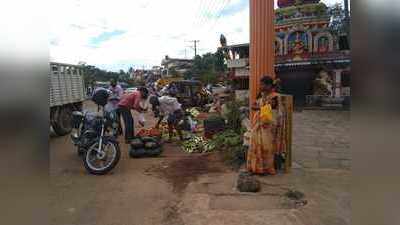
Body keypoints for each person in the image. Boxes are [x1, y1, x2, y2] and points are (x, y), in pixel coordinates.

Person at [247, 76, 282, 175]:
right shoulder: (261, 95)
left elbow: (270, 107)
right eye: (261, 84)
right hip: (258, 124)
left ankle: (266, 168)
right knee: (254, 145)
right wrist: (258, 107)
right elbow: (254, 105)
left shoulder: (275, 96)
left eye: (263, 84)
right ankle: (255, 167)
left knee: (267, 148)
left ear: (270, 85)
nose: (261, 86)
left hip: (268, 126)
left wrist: (259, 107)